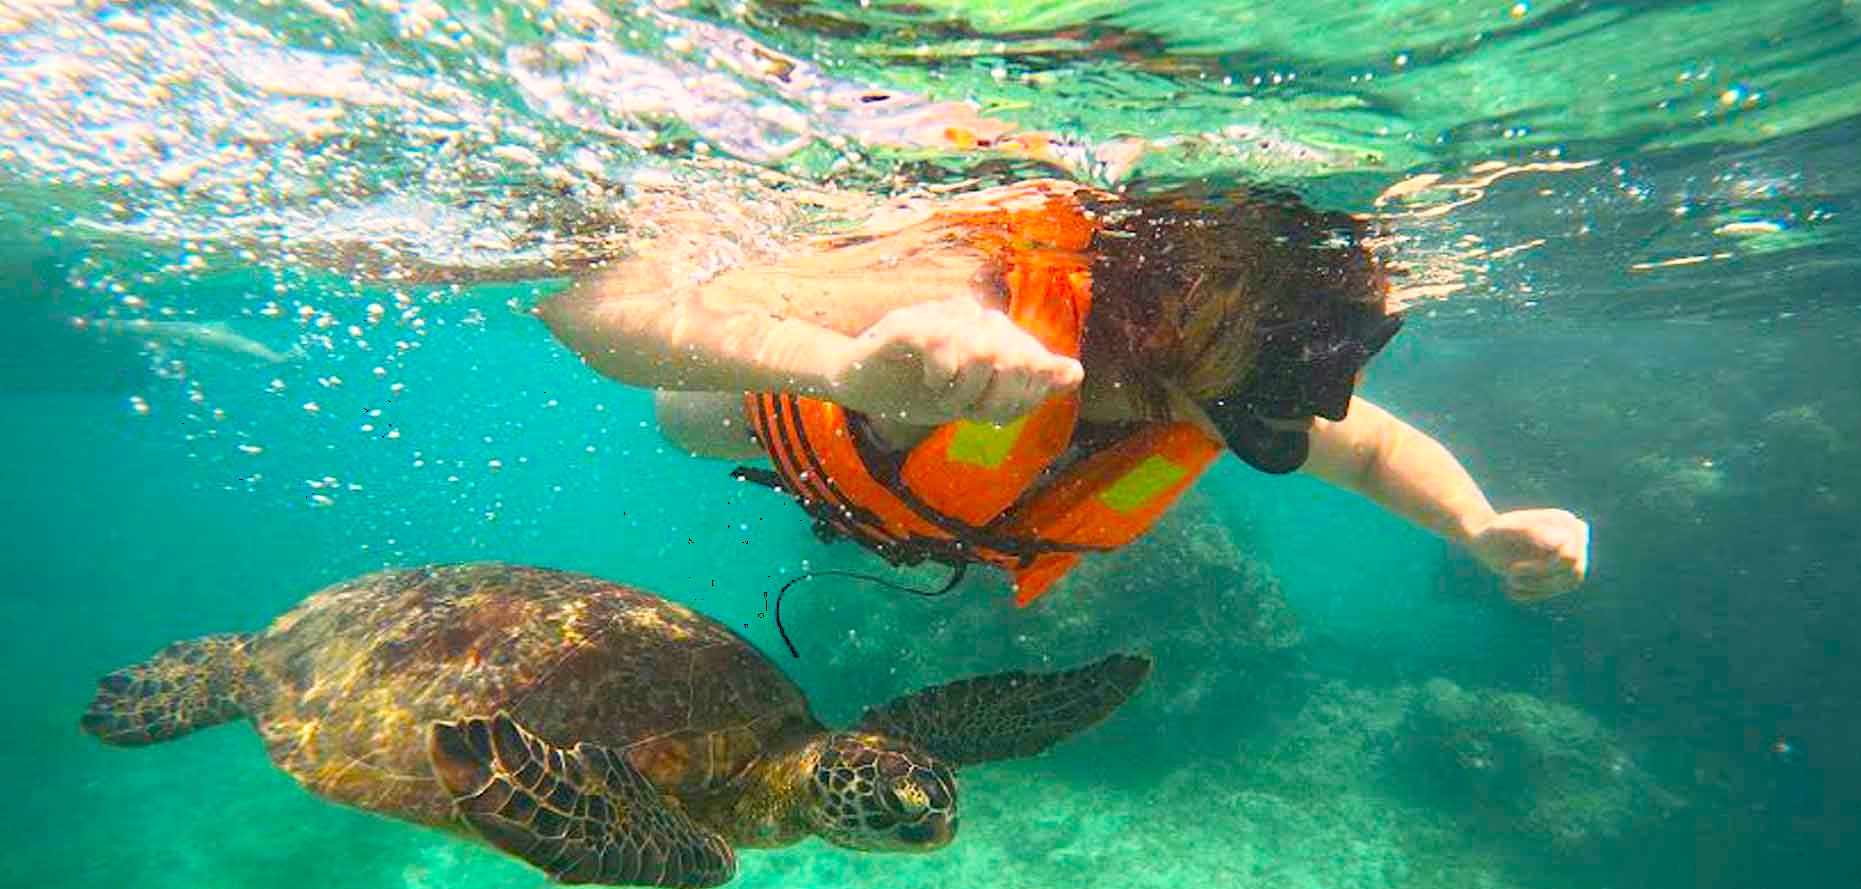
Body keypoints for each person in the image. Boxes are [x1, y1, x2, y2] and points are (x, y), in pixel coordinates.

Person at [537, 179, 1589, 607]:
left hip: (929, 513)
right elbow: (596, 315)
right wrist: (839, 367)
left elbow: (1371, 450)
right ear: (1184, 330)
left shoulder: (1228, 391)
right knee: (679, 420)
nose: (1322, 403)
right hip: (801, 427)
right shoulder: (971, 291)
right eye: (1304, 373)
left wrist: (1478, 525)